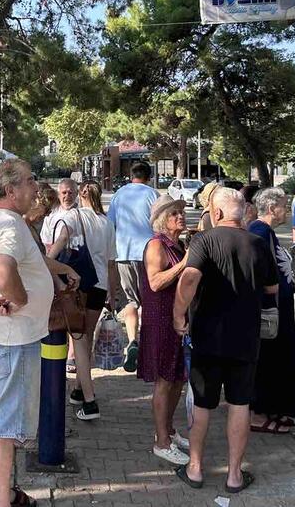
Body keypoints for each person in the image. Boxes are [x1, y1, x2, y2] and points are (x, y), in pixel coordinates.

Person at [0, 160, 74, 507]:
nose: (36, 187)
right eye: (30, 181)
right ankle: (0, 501)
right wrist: (21, 300)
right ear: (10, 190)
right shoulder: (10, 225)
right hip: (13, 340)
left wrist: (60, 267)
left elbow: (28, 261)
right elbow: (5, 272)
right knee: (5, 428)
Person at [172, 187, 278, 495]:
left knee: (202, 403)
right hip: (245, 337)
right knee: (240, 404)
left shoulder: (204, 240)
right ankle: (234, 475)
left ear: (216, 213)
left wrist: (178, 314)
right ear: (242, 213)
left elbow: (189, 278)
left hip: (207, 336)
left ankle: (195, 468)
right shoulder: (258, 243)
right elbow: (272, 288)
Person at [248, 188, 295, 433]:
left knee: (279, 362)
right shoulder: (259, 231)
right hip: (270, 313)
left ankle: (274, 408)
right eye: (284, 206)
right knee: (269, 363)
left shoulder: (267, 232)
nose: (287, 211)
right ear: (272, 208)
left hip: (280, 312)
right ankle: (259, 412)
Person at [138, 194, 190, 466]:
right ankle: (161, 441)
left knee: (178, 377)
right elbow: (155, 282)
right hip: (160, 319)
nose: (180, 217)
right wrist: (184, 264)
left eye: (181, 212)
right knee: (164, 380)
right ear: (161, 220)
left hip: (177, 319)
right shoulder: (156, 245)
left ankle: (168, 429)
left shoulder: (177, 244)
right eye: (174, 213)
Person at [65, 181, 117, 422]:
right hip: (100, 284)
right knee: (86, 336)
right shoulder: (106, 223)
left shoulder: (75, 217)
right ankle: (79, 388)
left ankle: (88, 396)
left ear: (81, 194)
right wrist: (113, 293)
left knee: (79, 338)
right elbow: (111, 262)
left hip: (80, 281)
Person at [106, 160, 158, 373]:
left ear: (130, 176)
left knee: (130, 301)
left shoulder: (119, 195)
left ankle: (132, 341)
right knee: (150, 299)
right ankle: (148, 344)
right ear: (149, 177)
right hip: (149, 253)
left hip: (124, 253)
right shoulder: (153, 195)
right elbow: (159, 224)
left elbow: (110, 224)